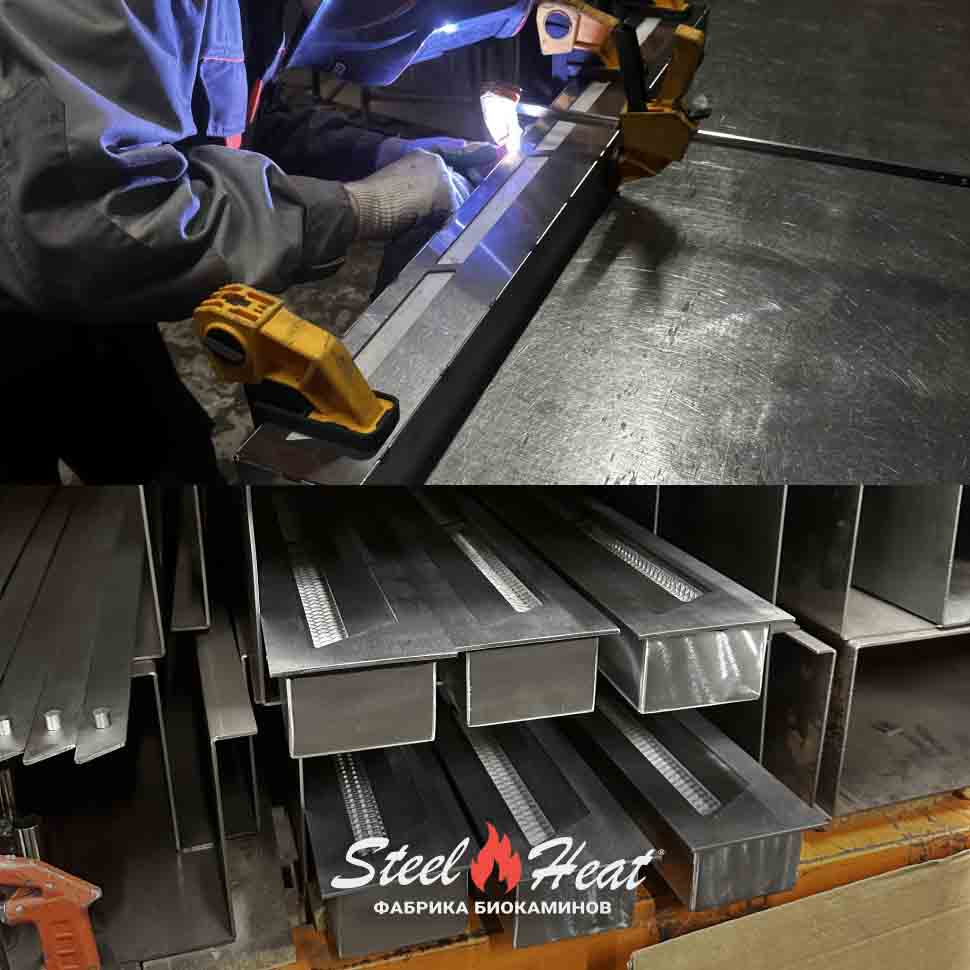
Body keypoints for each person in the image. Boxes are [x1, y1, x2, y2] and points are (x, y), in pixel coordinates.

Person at [0, 0, 532, 482]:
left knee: (166, 454)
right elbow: (95, 224)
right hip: (35, 269)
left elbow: (230, 124)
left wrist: (378, 153)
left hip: (68, 281)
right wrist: (361, 207)